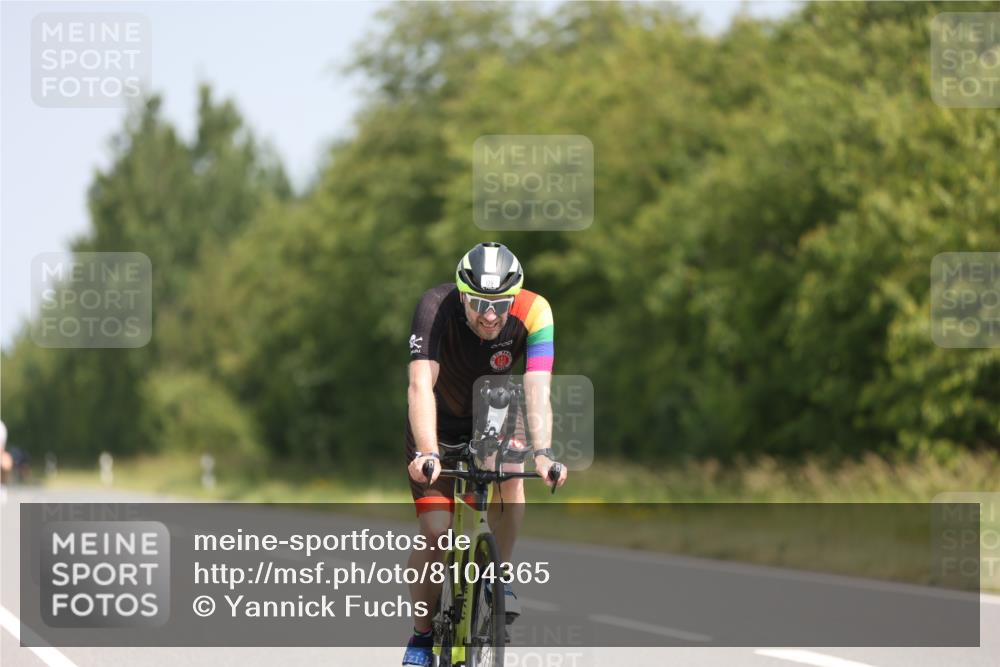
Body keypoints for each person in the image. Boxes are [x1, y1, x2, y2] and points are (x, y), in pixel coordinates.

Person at [402, 242, 567, 666]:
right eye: (478, 303)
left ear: (515, 299)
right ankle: (421, 636)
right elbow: (421, 385)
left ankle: (498, 576)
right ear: (461, 295)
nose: (489, 315)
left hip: (493, 413)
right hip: (435, 421)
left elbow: (537, 388)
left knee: (514, 468)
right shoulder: (435, 307)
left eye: (499, 305)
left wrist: (545, 454)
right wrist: (426, 451)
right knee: (437, 532)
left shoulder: (536, 312)